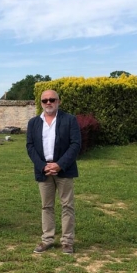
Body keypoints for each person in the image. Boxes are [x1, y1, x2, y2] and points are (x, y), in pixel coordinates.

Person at [26, 89, 81, 255]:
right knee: (46, 206)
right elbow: (30, 146)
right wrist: (43, 165)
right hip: (44, 170)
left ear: (58, 101)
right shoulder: (34, 122)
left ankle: (67, 241)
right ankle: (48, 239)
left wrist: (59, 164)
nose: (48, 103)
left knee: (67, 206)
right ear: (41, 103)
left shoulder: (69, 120)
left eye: (52, 99)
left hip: (64, 169)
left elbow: (75, 144)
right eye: (45, 100)